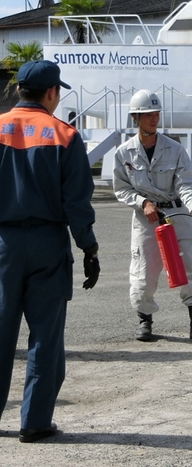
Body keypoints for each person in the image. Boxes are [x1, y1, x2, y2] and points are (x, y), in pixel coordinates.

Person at [0, 60, 100, 443]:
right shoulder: (64, 134)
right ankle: (35, 421)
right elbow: (76, 199)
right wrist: (88, 247)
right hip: (47, 243)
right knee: (45, 336)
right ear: (51, 93)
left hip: (3, 244)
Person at [113, 89, 192, 344]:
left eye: (156, 113)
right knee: (144, 272)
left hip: (177, 213)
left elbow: (186, 184)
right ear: (135, 118)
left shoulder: (175, 149)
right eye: (148, 114)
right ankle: (145, 320)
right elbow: (122, 188)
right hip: (146, 218)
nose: (154, 119)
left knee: (190, 267)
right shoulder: (124, 153)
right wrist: (143, 202)